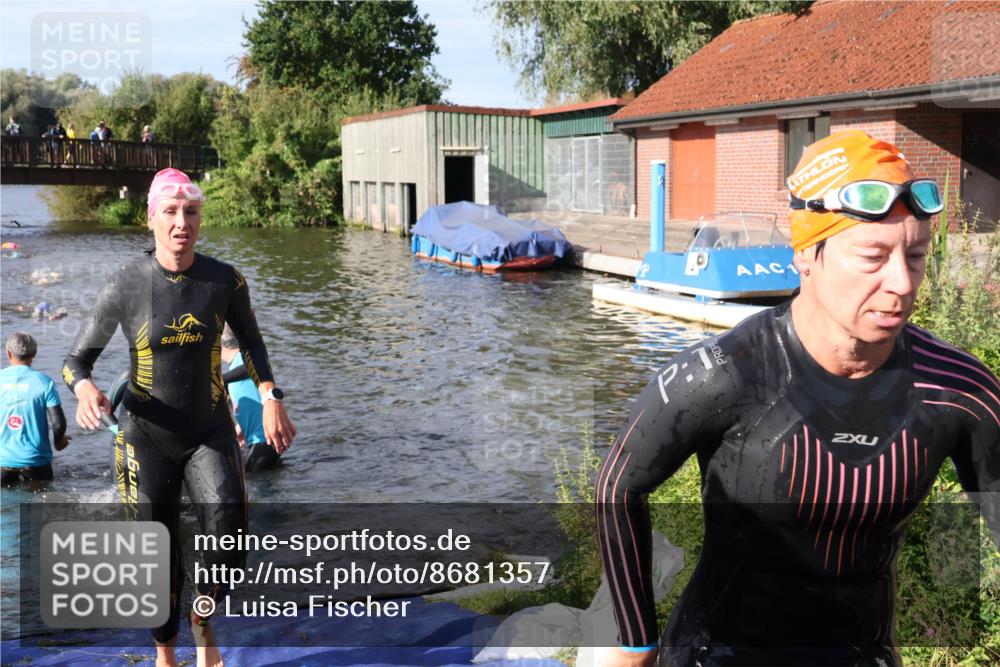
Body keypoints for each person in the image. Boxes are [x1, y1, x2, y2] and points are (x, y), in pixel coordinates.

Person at [596, 130, 1000, 667]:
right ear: (807, 255)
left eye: (917, 255)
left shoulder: (960, 389)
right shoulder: (728, 374)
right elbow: (617, 486)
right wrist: (635, 642)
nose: (902, 283)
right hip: (717, 654)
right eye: (872, 257)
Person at [63, 167, 296, 667]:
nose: (180, 223)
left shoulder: (224, 280)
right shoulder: (126, 284)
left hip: (209, 430)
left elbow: (252, 344)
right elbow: (76, 361)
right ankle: (165, 653)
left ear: (199, 217)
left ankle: (203, 621)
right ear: (151, 218)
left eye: (190, 212)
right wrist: (85, 389)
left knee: (229, 534)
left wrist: (271, 395)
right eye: (169, 212)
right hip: (144, 434)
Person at [1, 332, 70, 486]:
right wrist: (59, 441)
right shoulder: (44, 382)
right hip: (37, 463)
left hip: (2, 464)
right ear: (34, 353)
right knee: (39, 507)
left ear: (8, 353)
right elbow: (58, 423)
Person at [220, 325, 281, 471]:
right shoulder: (234, 367)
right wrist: (241, 427)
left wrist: (222, 380)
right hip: (260, 443)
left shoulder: (242, 358)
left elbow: (250, 368)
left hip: (263, 443)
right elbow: (253, 397)